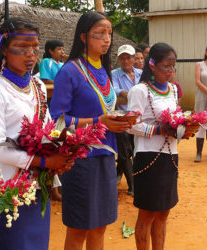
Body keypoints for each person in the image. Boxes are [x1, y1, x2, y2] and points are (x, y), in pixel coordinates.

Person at [0, 17, 72, 250]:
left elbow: (48, 129)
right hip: (7, 188)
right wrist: (45, 160)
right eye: (23, 47)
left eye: (35, 48)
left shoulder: (38, 86)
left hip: (38, 185)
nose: (31, 54)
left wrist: (63, 151)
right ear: (4, 49)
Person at [49, 11, 132, 250]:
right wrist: (100, 121)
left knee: (100, 225)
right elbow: (58, 121)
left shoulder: (103, 71)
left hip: (106, 156)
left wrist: (122, 121)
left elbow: (106, 112)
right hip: (80, 159)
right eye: (100, 34)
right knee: (79, 228)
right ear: (83, 37)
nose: (106, 39)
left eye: (109, 34)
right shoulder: (70, 71)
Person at [127, 42, 178, 250]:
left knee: (164, 212)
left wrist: (184, 128)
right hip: (148, 158)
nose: (171, 71)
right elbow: (130, 126)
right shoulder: (140, 91)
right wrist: (158, 130)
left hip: (170, 156)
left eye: (174, 66)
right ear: (152, 65)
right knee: (147, 213)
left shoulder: (173, 90)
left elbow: (176, 119)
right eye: (166, 66)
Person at [112, 44, 142, 196]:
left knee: (136, 150)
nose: (125, 61)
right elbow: (115, 92)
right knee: (124, 152)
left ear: (133, 59)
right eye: (122, 58)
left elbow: (146, 90)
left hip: (139, 118)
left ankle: (129, 179)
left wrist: (130, 95)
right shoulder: (114, 74)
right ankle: (133, 185)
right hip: (122, 117)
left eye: (128, 58)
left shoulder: (140, 74)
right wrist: (127, 93)